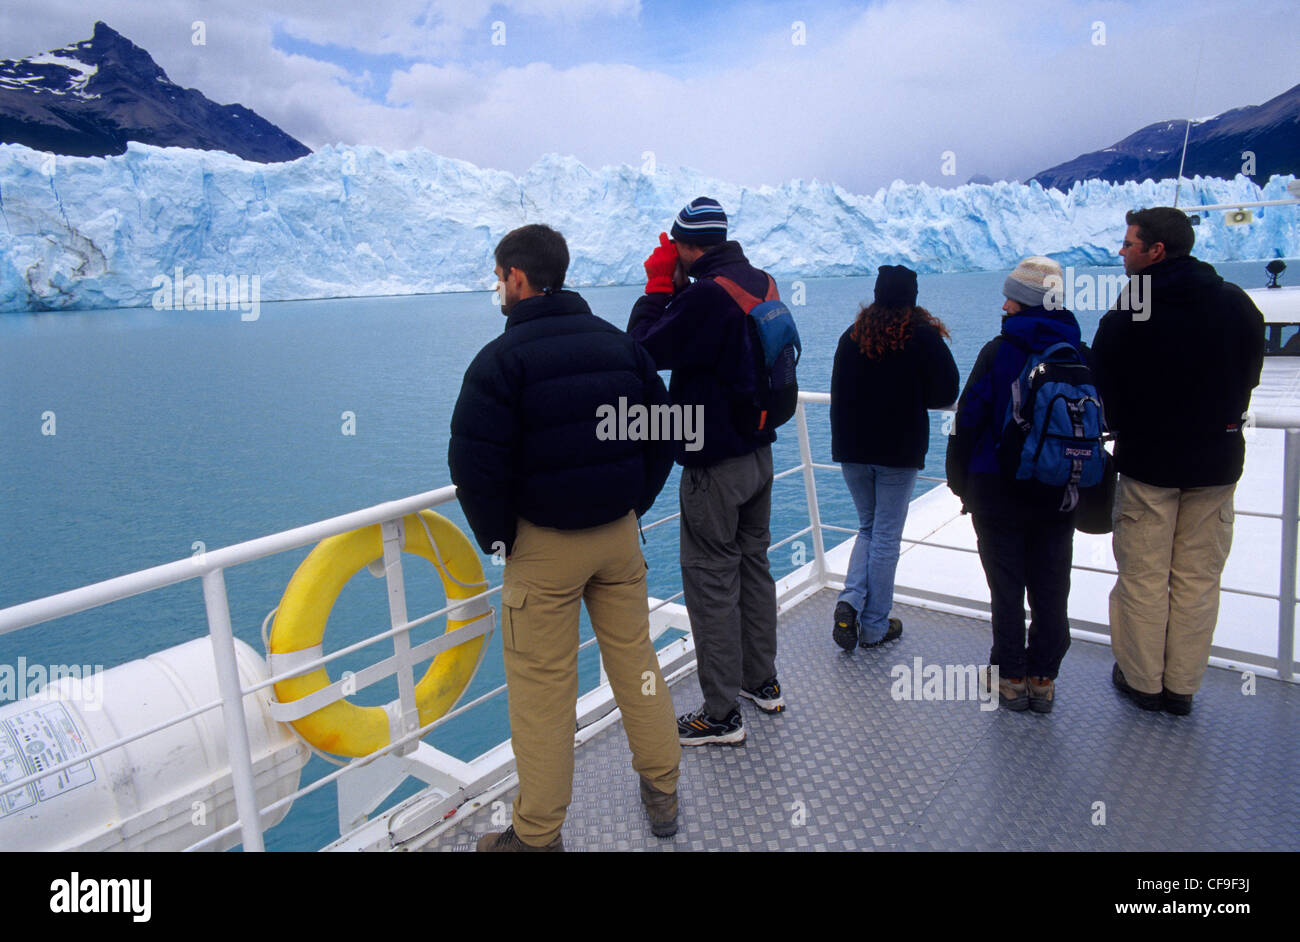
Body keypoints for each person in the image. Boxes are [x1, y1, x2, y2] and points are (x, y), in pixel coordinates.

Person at [448, 224, 681, 850]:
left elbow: (473, 464)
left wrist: (502, 539)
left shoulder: (500, 362)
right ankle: (663, 791)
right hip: (618, 537)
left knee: (543, 693)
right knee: (637, 663)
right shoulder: (619, 346)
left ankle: (537, 835)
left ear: (518, 279)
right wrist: (634, 503)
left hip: (544, 549)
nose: (498, 288)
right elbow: (666, 433)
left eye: (500, 278)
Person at [1092, 207, 1264, 716]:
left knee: (1144, 575)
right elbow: (1249, 372)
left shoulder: (1134, 305)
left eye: (1128, 244)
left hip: (1150, 464)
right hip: (1216, 463)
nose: (1121, 252)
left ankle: (1144, 683)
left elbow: (1102, 376)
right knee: (1197, 578)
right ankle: (1181, 688)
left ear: (1155, 251)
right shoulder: (1235, 302)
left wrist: (1124, 422)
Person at [627, 197, 782, 746]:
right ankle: (761, 682)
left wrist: (656, 287)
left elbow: (640, 350)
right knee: (754, 567)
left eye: (676, 248)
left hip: (715, 466)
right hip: (760, 456)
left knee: (711, 582)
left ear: (690, 248)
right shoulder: (761, 282)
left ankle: (720, 716)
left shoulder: (705, 296)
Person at [945, 257, 1084, 713]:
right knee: (1051, 586)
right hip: (1058, 489)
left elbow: (967, 419)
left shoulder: (998, 351)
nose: (1003, 303)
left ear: (1025, 301)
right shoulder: (1079, 351)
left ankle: (1010, 679)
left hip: (997, 491)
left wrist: (960, 481)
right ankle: (1043, 678)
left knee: (1007, 590)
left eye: (1011, 296)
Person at [830, 265, 958, 650]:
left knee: (868, 528)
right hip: (897, 452)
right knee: (885, 536)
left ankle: (850, 601)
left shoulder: (851, 336)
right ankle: (873, 627)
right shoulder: (922, 337)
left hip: (852, 450)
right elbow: (947, 391)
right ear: (912, 297)